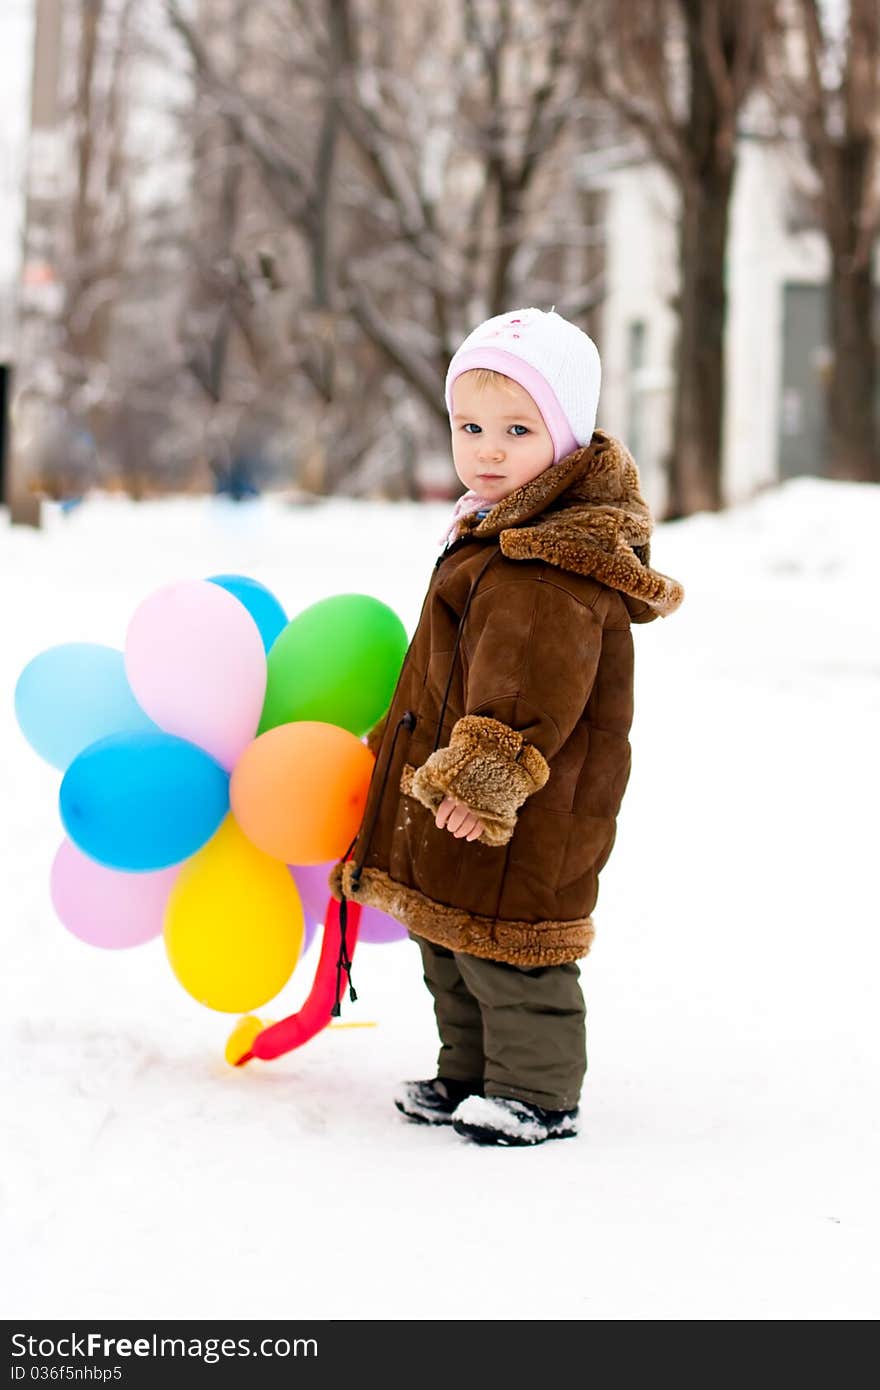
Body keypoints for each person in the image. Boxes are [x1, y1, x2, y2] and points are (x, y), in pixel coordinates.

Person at [331, 307, 684, 1146]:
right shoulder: (490, 534)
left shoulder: (546, 560)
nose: (488, 449)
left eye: (518, 429)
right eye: (471, 426)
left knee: (513, 946)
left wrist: (484, 779)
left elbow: (527, 689)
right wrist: (395, 750)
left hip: (530, 804)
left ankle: (536, 1091)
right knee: (448, 936)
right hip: (465, 792)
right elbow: (445, 667)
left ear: (564, 437)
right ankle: (469, 1072)